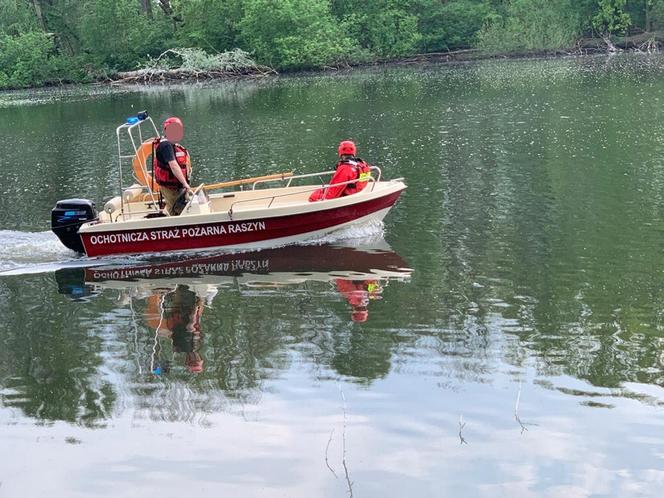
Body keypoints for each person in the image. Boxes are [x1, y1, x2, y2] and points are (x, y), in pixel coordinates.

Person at [153, 117, 193, 215]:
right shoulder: (166, 146)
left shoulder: (170, 144)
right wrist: (185, 184)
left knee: (182, 208)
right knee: (176, 210)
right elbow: (173, 165)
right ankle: (176, 228)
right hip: (171, 189)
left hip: (177, 187)